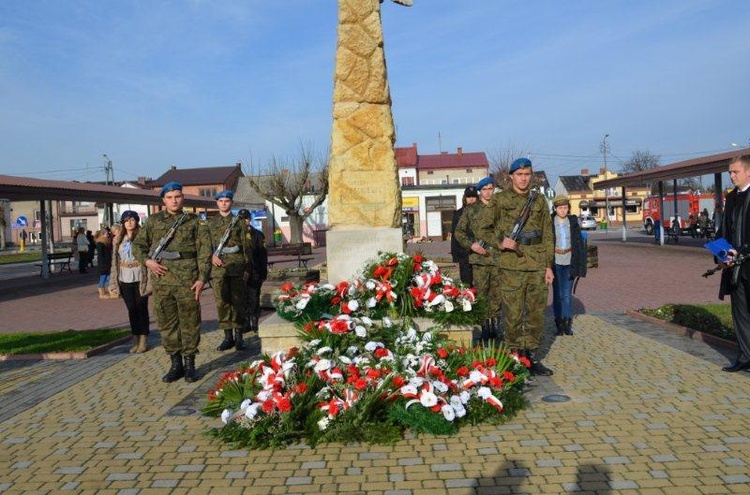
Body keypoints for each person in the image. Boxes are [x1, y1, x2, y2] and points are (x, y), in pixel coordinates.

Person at [480, 158, 555, 376]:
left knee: (535, 314)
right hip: (511, 264)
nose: (524, 178)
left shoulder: (539, 200)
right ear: (511, 176)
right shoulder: (500, 199)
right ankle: (515, 357)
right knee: (513, 314)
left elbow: (548, 235)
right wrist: (501, 242)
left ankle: (531, 357)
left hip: (536, 263)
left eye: (527, 174)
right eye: (520, 174)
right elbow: (484, 229)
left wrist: (548, 265)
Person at [133, 182, 212, 383]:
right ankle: (175, 364)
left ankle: (190, 365)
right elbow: (138, 245)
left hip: (188, 280)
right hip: (162, 280)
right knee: (167, 323)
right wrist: (148, 261)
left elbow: (204, 251)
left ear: (182, 198)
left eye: (177, 196)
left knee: (190, 322)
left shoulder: (194, 222)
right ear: (163, 200)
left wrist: (202, 278)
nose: (174, 200)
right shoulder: (153, 221)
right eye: (169, 197)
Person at [454, 176, 502, 342]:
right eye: (485, 189)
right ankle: (484, 329)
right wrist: (471, 245)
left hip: (498, 259)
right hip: (480, 260)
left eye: (491, 189)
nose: (488, 192)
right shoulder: (471, 210)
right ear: (480, 191)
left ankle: (496, 329)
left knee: (497, 295)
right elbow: (459, 232)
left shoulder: (500, 208)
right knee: (481, 294)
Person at [206, 190, 251, 352]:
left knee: (238, 302)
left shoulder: (238, 222)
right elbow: (204, 245)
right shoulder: (210, 223)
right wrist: (212, 256)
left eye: (227, 201)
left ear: (231, 203)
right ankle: (228, 337)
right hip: (219, 268)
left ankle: (239, 337)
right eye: (221, 201)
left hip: (237, 265)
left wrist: (247, 267)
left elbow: (246, 247)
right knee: (222, 302)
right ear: (217, 203)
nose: (224, 203)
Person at [718, 154, 750, 373]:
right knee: (740, 315)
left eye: (735, 172)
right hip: (735, 269)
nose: (731, 176)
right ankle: (745, 357)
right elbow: (724, 232)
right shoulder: (730, 198)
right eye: (729, 172)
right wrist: (721, 254)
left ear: (748, 171)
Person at [110, 211, 151, 353]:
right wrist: (113, 283)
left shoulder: (143, 236)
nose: (129, 223)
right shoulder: (118, 239)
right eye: (126, 220)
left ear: (137, 221)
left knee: (141, 308)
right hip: (124, 277)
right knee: (131, 310)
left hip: (140, 276)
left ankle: (144, 339)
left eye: (132, 220)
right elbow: (115, 261)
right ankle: (136, 338)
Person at [550, 195, 587, 336]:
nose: (563, 210)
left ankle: (567, 322)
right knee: (558, 294)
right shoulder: (550, 222)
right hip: (555, 262)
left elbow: (578, 244)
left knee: (567, 295)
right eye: (560, 208)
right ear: (555, 208)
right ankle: (558, 323)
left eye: (565, 208)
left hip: (569, 261)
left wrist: (580, 265)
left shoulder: (572, 222)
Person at [239, 209, 268, 337]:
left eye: (246, 218)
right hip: (240, 273)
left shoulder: (258, 235)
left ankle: (254, 320)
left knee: (254, 297)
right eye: (242, 219)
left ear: (250, 219)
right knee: (242, 298)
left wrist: (263, 273)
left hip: (255, 272)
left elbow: (263, 255)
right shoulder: (235, 236)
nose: (244, 221)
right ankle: (245, 323)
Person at [451, 186, 478, 286]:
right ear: (465, 198)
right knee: (467, 285)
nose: (471, 199)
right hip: (464, 255)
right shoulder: (458, 214)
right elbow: (454, 237)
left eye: (474, 196)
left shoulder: (482, 213)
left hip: (479, 255)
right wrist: (455, 258)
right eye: (469, 196)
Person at [95, 228, 116, 299]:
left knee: (108, 278)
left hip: (107, 263)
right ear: (102, 234)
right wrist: (104, 264)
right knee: (103, 277)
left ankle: (109, 290)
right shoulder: (100, 243)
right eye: (106, 234)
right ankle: (102, 293)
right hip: (103, 264)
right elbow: (101, 256)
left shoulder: (106, 242)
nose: (108, 235)